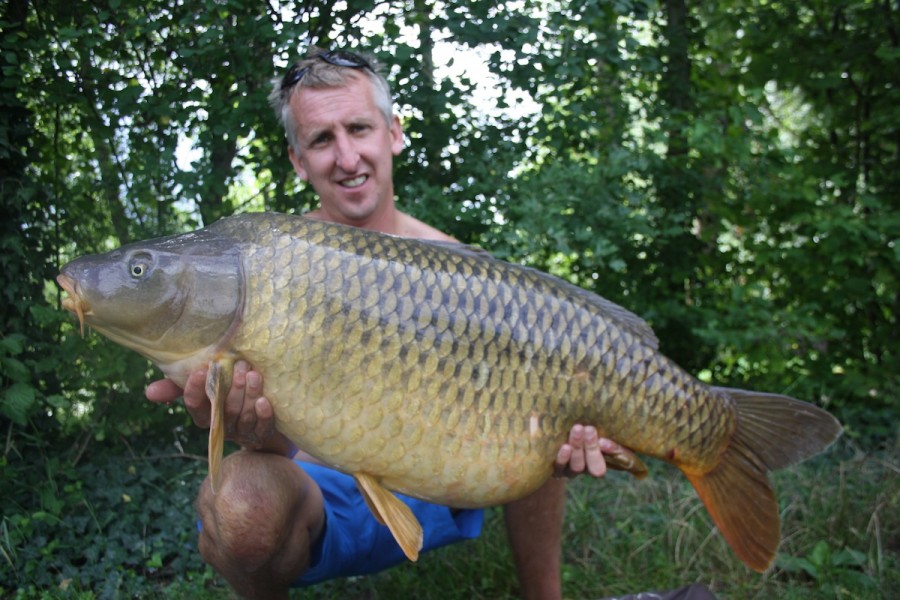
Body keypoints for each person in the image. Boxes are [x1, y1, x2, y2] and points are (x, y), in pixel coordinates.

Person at [146, 48, 634, 600]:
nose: (347, 156)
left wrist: (569, 435)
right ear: (298, 160)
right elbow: (284, 445)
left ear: (394, 133)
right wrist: (250, 430)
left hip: (444, 479)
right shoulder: (265, 266)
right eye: (321, 139)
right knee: (239, 508)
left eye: (358, 128)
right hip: (320, 488)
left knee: (540, 397)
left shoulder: (462, 270)